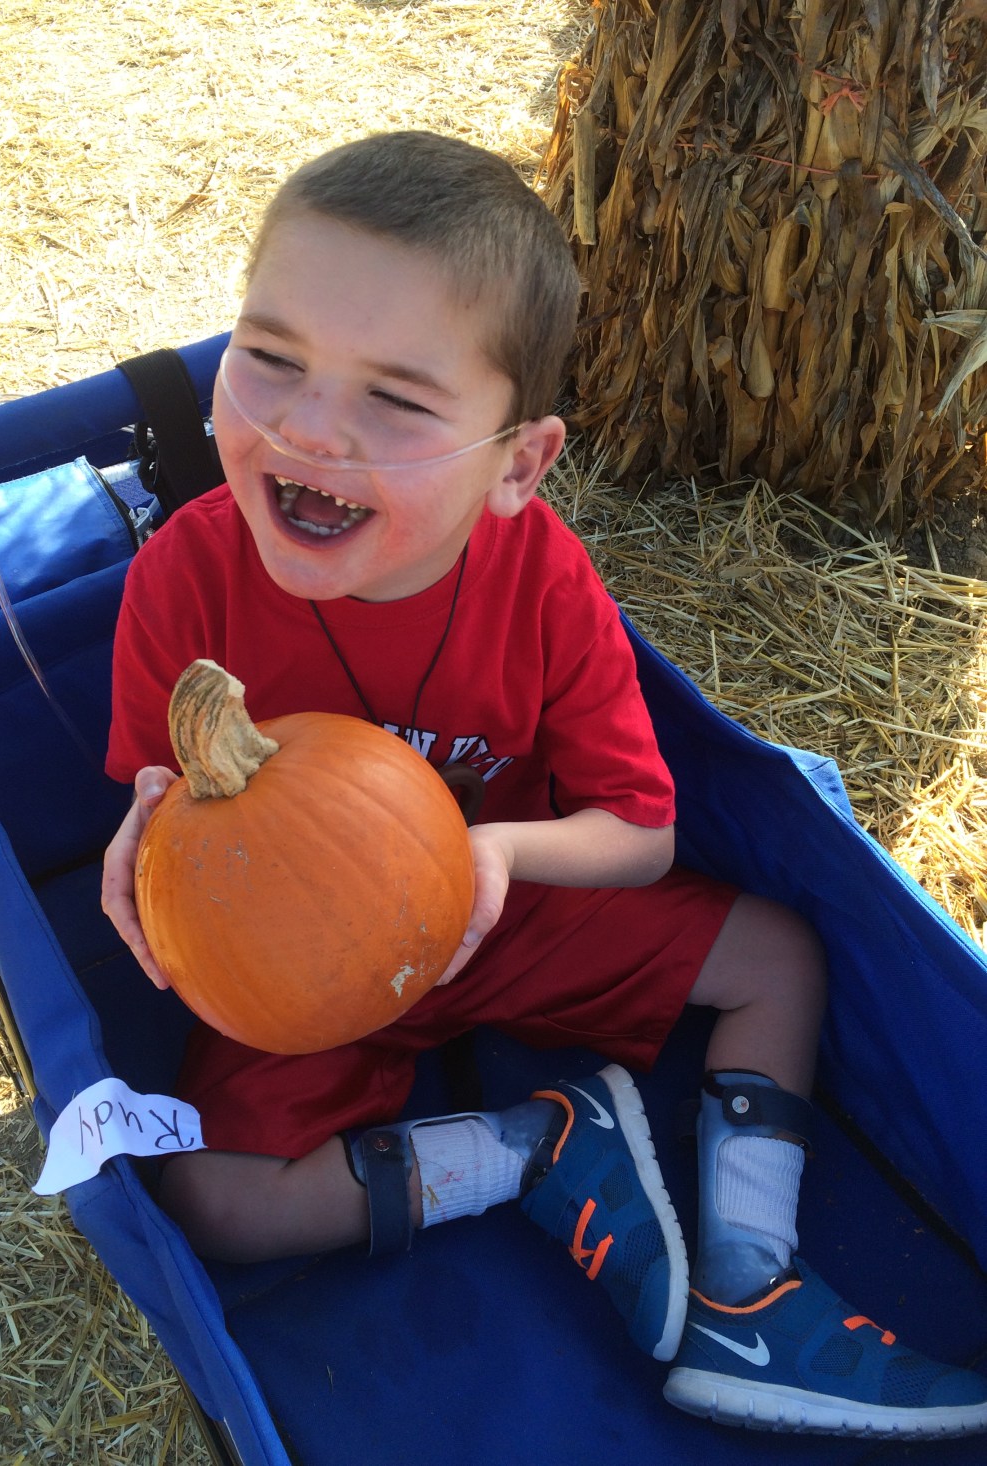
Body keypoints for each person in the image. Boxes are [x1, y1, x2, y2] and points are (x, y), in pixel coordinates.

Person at [101, 129, 987, 1438]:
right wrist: (146, 843)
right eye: (269, 356)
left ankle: (749, 1277)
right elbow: (158, 796)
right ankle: (527, 1150)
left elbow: (640, 827)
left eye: (396, 399)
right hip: (289, 971)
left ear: (518, 463)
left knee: (781, 958)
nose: (303, 424)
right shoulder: (186, 574)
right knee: (212, 1201)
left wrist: (502, 858)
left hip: (502, 901)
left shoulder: (546, 587)